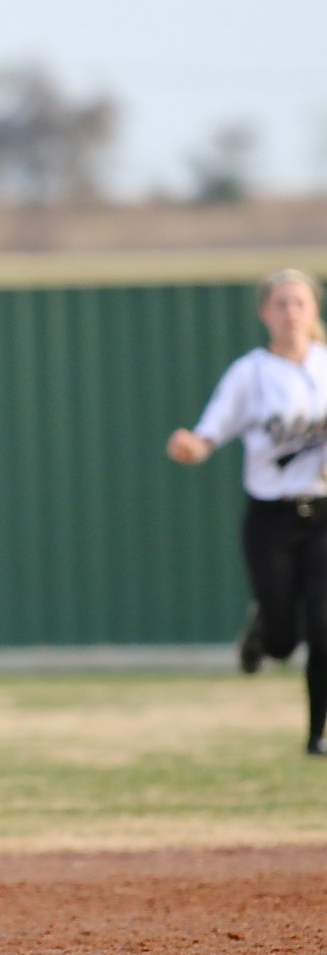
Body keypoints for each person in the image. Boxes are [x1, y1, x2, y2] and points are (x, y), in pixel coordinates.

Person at [166, 267, 327, 756]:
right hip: (271, 518)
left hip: (323, 512)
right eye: (280, 304)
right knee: (282, 642)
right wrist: (190, 447)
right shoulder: (251, 372)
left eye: (299, 303)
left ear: (314, 310)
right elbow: (208, 434)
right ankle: (264, 627)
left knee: (325, 627)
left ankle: (317, 734)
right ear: (264, 313)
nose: (290, 313)